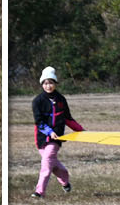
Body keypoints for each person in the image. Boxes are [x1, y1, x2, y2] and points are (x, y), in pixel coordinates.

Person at [31, 66, 82, 197]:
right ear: (42, 84)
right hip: (42, 139)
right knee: (53, 164)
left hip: (56, 139)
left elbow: (68, 118)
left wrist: (81, 130)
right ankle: (65, 181)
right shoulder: (37, 101)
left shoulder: (61, 99)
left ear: (55, 83)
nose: (48, 86)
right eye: (45, 83)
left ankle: (39, 192)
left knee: (46, 165)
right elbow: (39, 122)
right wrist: (49, 132)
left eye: (51, 83)